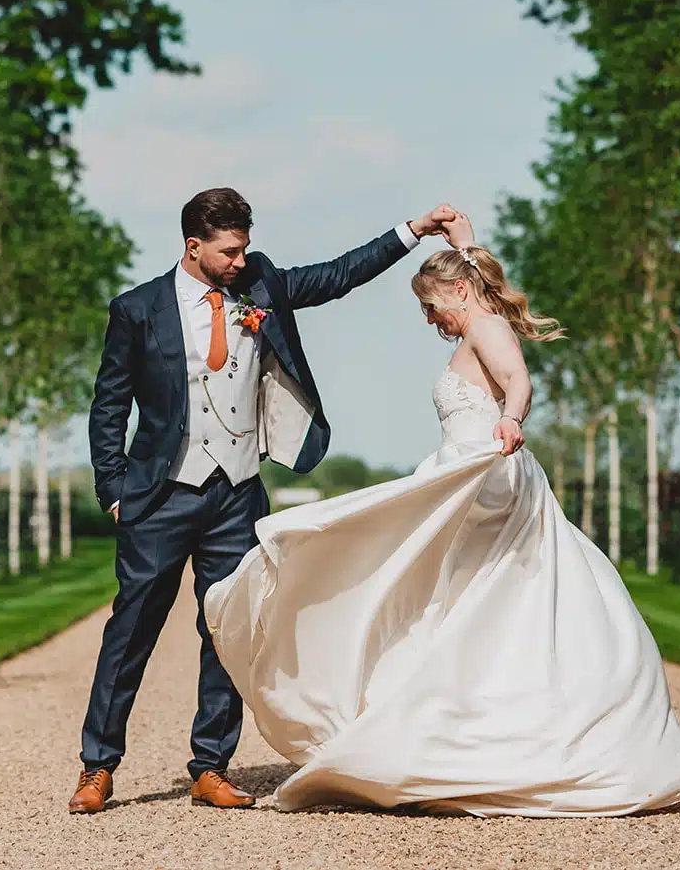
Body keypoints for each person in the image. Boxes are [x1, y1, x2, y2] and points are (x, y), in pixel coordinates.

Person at [203, 210, 680, 816]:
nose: (430, 319)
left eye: (431, 305)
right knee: (452, 606)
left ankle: (480, 732)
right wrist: (462, 243)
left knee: (457, 598)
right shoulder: (477, 315)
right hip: (464, 476)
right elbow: (477, 300)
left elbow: (517, 381)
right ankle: (462, 720)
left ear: (461, 292)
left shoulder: (487, 328)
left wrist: (510, 419)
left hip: (486, 478)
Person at [69, 187, 459, 813]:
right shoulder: (136, 309)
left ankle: (210, 765)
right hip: (158, 497)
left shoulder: (263, 284)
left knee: (229, 629)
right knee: (132, 629)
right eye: (228, 251)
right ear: (192, 247)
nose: (238, 260)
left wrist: (412, 229)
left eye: (244, 248)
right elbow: (109, 404)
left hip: (236, 494)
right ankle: (97, 767)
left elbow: (339, 275)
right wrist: (114, 488)